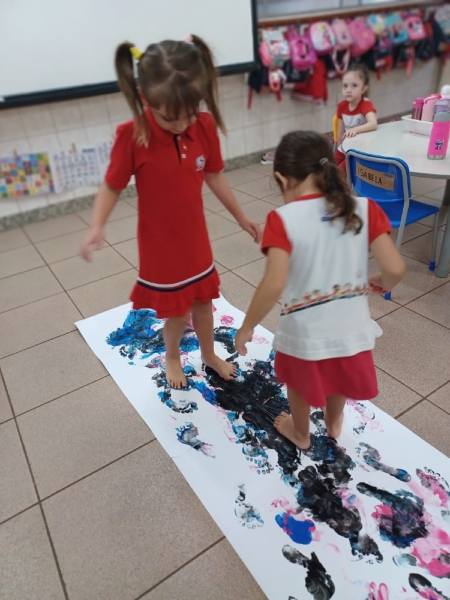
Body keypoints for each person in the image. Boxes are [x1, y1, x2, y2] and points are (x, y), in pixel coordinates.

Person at [80, 36, 262, 389]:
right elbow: (112, 185)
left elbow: (214, 175)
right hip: (160, 245)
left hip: (195, 238)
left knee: (204, 302)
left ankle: (209, 354)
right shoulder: (133, 134)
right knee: (178, 312)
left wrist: (241, 217)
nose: (181, 125)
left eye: (188, 114)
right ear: (146, 98)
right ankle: (173, 357)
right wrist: (96, 225)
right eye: (169, 118)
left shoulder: (203, 125)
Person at [234, 131, 405, 450]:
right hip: (352, 330)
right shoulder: (363, 207)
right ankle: (334, 422)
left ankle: (301, 433)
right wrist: (384, 281)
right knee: (339, 379)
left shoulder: (282, 219)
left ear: (282, 178)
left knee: (298, 385)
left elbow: (273, 283)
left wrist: (247, 326)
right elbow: (395, 269)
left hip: (305, 333)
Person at [334, 63, 378, 170]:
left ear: (363, 89)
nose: (348, 90)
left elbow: (373, 123)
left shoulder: (365, 104)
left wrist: (356, 130)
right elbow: (340, 132)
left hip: (362, 148)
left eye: (354, 85)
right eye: (345, 86)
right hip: (347, 145)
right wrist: (340, 149)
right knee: (331, 164)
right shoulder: (342, 105)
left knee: (341, 170)